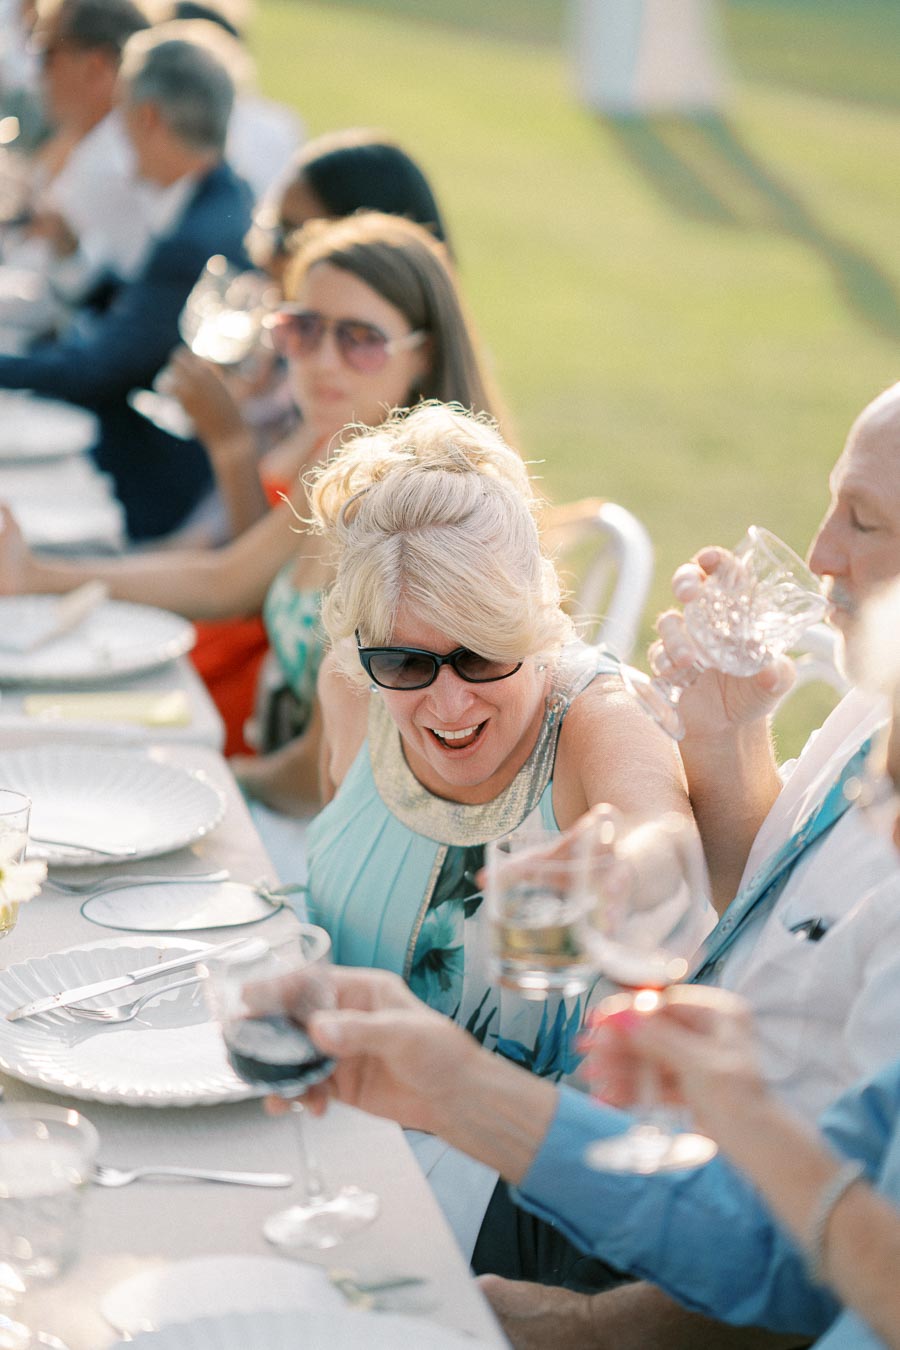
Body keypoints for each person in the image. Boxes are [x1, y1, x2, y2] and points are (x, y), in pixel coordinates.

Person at [257, 577, 900, 1350]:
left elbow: (661, 840)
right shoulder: (874, 708)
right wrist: (457, 1087)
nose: (879, 838)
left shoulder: (592, 709)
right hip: (688, 1184)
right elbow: (800, 1260)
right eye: (876, 793)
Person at [474, 383, 900, 1343]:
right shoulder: (884, 697)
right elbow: (776, 898)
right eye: (835, 500)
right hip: (636, 1170)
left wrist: (580, 1326)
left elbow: (836, 1270)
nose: (822, 549)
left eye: (865, 523)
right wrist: (726, 734)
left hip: (677, 1279)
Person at [295, 399, 689, 1268]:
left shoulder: (594, 717)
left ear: (536, 625)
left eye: (480, 655)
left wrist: (616, 867)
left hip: (509, 1205)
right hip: (329, 1140)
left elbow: (665, 836)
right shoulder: (352, 689)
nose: (446, 702)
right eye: (403, 659)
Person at [0, 212, 502, 780]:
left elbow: (322, 776)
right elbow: (226, 579)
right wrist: (38, 573)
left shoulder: (410, 513)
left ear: (424, 354)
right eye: (304, 329)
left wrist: (212, 780)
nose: (322, 361)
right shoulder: (340, 456)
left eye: (361, 340)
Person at [0, 24, 253, 539]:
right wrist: (75, 257)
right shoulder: (219, 197)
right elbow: (141, 310)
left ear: (148, 118)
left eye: (120, 115)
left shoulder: (195, 235)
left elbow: (98, 368)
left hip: (157, 483)